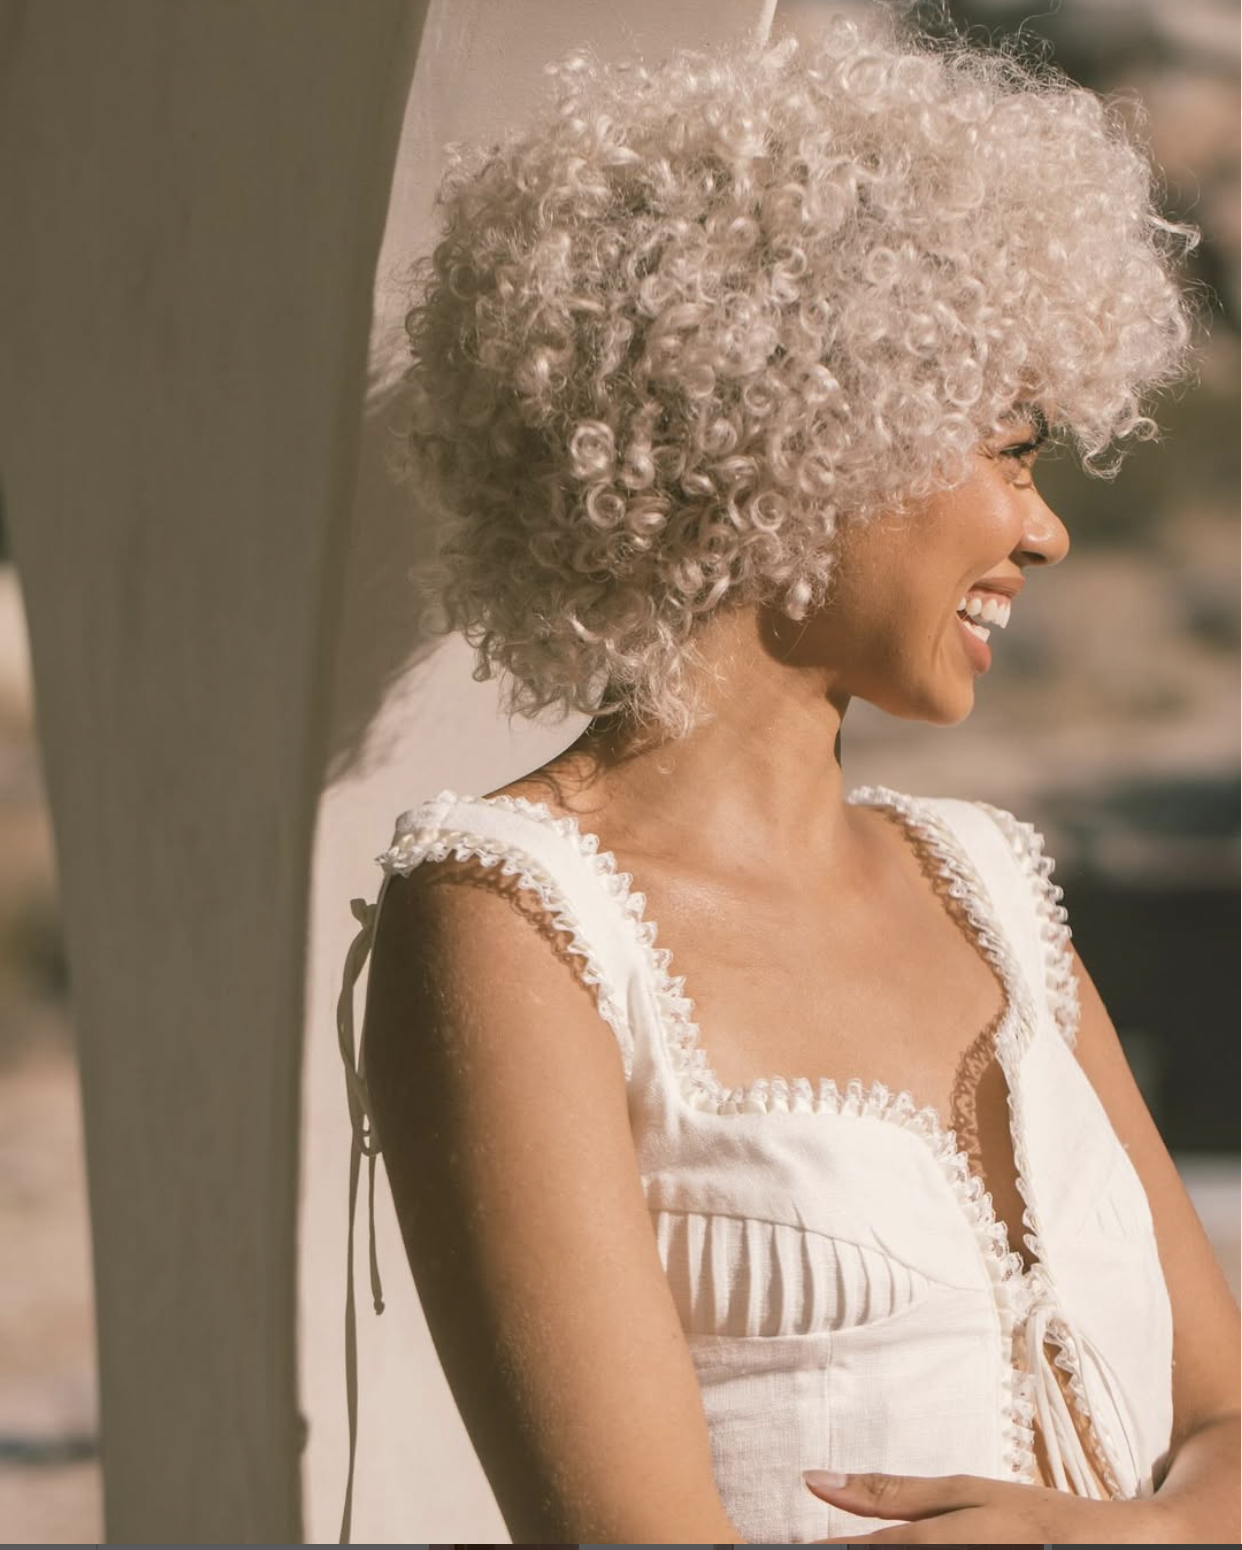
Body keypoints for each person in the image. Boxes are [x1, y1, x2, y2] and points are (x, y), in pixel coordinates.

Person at [335, 10, 1239, 1544]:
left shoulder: (990, 888)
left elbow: (1227, 1419)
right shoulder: (511, 918)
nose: (1044, 530)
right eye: (1010, 449)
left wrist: (1120, 1530)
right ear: (812, 431)